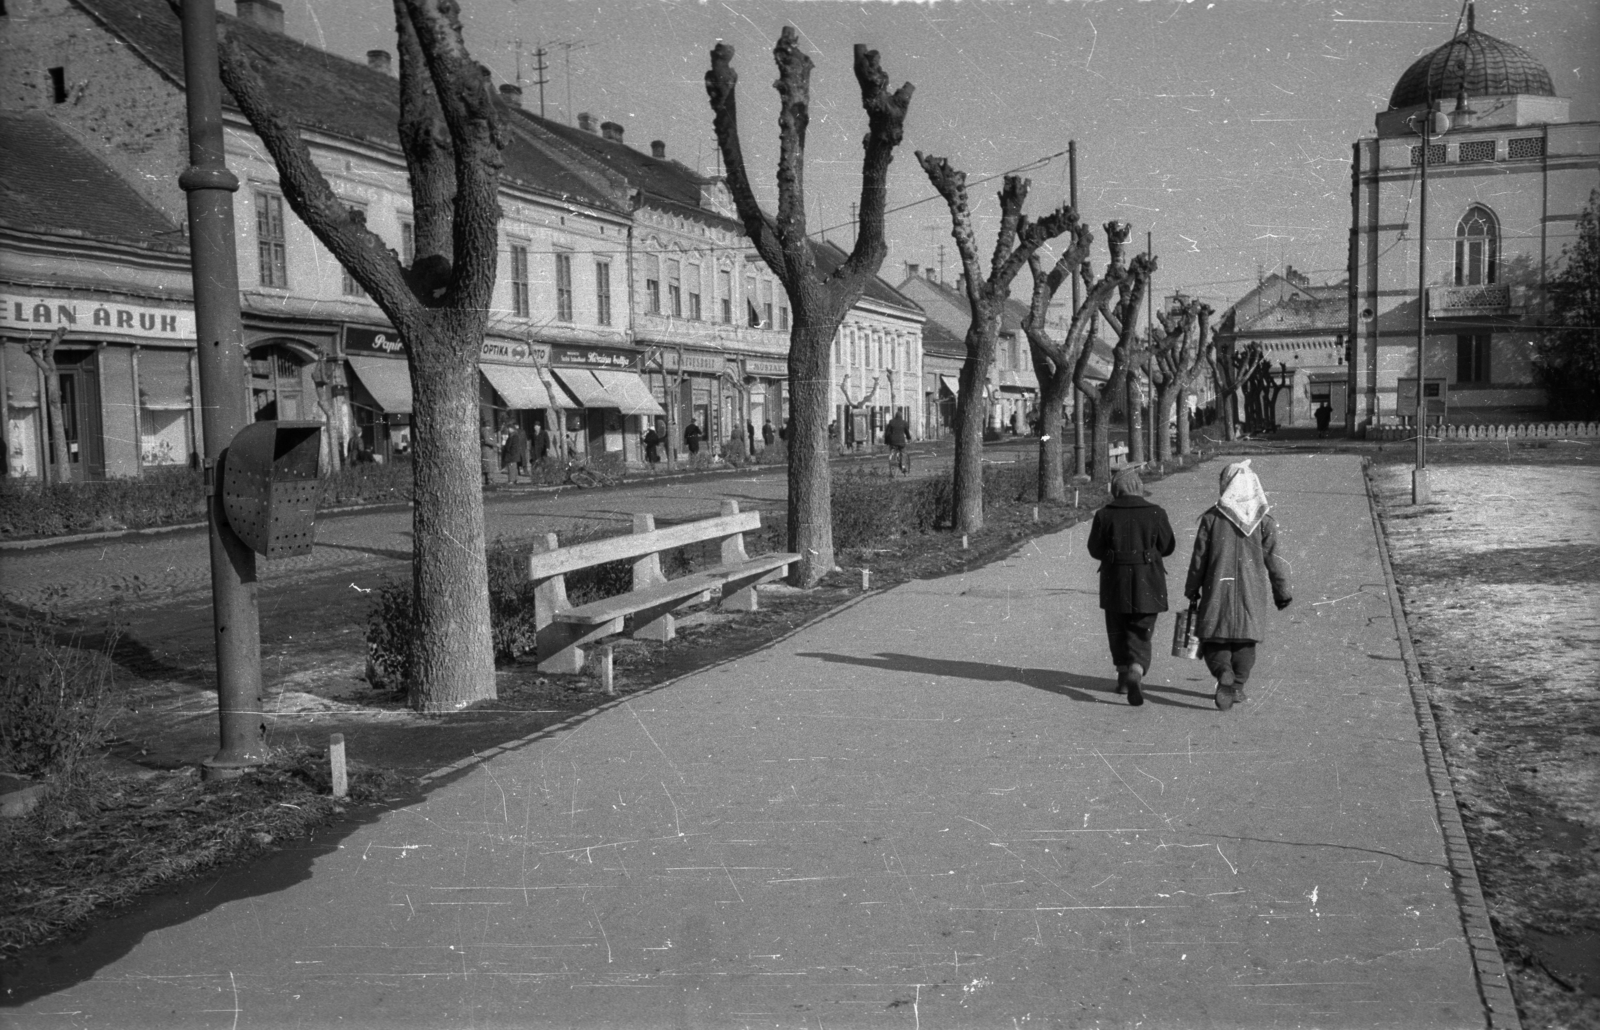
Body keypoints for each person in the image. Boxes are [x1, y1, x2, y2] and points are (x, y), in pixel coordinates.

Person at [1184, 459, 1292, 711]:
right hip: (1250, 595)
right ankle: (1238, 684)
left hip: (1216, 593)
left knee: (1214, 643)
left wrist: (1192, 588)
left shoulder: (1211, 519)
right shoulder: (1264, 521)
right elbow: (1275, 560)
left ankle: (1223, 673)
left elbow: (1199, 558)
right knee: (1246, 644)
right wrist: (1282, 592)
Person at [1086, 467, 1177, 706]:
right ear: (1138, 487)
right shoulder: (1156, 512)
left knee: (1117, 628)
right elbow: (1168, 546)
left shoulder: (1104, 514)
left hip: (1114, 580)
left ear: (1116, 490)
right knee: (1141, 628)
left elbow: (1094, 549)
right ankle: (1137, 669)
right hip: (1148, 579)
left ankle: (1124, 675)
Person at [479, 419, 498, 486]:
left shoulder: (483, 430)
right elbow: (487, 440)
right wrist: (495, 444)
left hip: (486, 450)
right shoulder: (485, 431)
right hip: (487, 451)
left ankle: (488, 479)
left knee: (487, 466)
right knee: (489, 466)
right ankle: (489, 480)